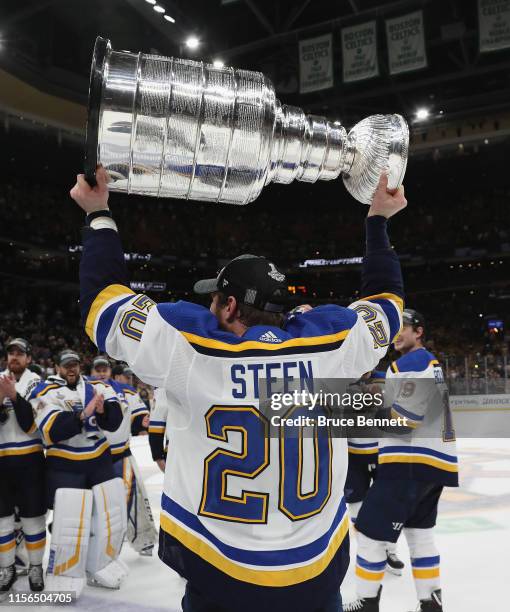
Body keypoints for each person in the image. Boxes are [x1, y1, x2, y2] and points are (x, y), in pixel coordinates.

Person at [70, 166, 406, 612]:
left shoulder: (190, 348)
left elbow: (103, 304)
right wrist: (379, 221)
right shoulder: (333, 343)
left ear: (229, 304)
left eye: (215, 299)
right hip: (316, 569)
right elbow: (387, 302)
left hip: (220, 572)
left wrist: (99, 214)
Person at [344, 310, 458, 612]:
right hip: (435, 466)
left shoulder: (410, 363)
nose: (397, 334)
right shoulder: (429, 364)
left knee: (368, 533)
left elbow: (404, 421)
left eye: (403, 328)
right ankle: (430, 602)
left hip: (408, 466)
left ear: (418, 332)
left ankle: (367, 603)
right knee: (420, 535)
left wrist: (372, 406)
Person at [29, 349, 125, 594]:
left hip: (99, 460)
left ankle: (101, 564)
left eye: (74, 364)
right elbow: (53, 429)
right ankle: (66, 572)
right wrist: (83, 414)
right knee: (70, 520)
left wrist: (102, 411)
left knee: (106, 516)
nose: (71, 369)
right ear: (57, 368)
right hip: (65, 464)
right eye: (65, 365)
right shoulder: (43, 391)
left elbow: (114, 422)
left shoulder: (98, 386)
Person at [90, 357, 157, 556]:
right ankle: (99, 548)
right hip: (94, 457)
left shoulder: (125, 391)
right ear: (92, 371)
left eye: (105, 369)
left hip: (121, 454)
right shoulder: (84, 389)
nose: (101, 373)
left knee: (133, 497)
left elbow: (138, 418)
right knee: (97, 505)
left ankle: (143, 540)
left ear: (110, 371)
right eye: (97, 369)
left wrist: (143, 422)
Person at [345, 371, 405, 577]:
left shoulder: (386, 378)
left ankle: (390, 550)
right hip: (353, 457)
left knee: (388, 505)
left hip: (383, 455)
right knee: (356, 508)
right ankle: (368, 551)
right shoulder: (343, 377)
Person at [0, 339, 46, 599]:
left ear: (29, 358)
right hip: (2, 460)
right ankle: (6, 569)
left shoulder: (37, 383)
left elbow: (32, 424)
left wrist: (13, 396)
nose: (14, 357)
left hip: (30, 460)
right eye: (11, 352)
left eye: (20, 353)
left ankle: (36, 567)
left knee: (33, 518)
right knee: (2, 521)